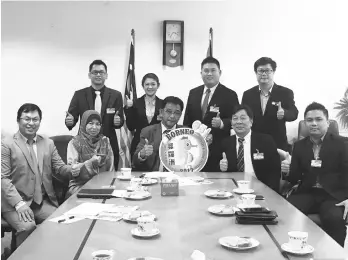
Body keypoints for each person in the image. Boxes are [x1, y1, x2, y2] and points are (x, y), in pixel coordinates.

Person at [1, 103, 81, 247]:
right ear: (18, 120)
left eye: (35, 119)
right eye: (27, 119)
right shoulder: (7, 144)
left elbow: (59, 168)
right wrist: (19, 204)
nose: (31, 123)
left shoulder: (48, 143)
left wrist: (72, 169)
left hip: (41, 202)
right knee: (27, 227)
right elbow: (3, 179)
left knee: (61, 222)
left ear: (40, 121)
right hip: (14, 203)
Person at [286, 102, 348, 247]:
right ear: (305, 123)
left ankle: (334, 255)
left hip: (333, 195)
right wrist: (286, 170)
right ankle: (292, 250)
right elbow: (294, 177)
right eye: (309, 120)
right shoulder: (299, 146)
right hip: (307, 192)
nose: (314, 123)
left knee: (334, 219)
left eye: (318, 119)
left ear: (327, 122)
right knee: (285, 213)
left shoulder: (342, 144)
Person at [65, 60, 124, 169]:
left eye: (101, 72)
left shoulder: (116, 95)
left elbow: (119, 120)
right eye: (94, 72)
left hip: (108, 143)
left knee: (108, 175)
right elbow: (71, 119)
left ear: (106, 75)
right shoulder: (79, 95)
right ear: (89, 75)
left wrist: (118, 122)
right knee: (84, 172)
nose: (98, 75)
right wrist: (70, 121)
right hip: (84, 144)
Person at [183, 57, 239, 172]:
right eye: (206, 70)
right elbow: (187, 120)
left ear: (220, 72)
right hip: (195, 149)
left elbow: (236, 120)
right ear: (201, 73)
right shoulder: (193, 92)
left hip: (218, 148)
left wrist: (222, 123)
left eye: (213, 70)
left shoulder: (230, 94)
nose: (209, 73)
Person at [241, 57, 298, 152]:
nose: (264, 74)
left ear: (273, 72)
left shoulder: (285, 92)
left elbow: (294, 113)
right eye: (260, 71)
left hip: (277, 143)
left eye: (267, 71)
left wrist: (284, 113)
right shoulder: (248, 94)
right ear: (256, 73)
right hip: (255, 143)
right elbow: (244, 116)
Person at [219, 105, 281, 192]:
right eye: (235, 118)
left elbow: (275, 171)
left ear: (251, 121)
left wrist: (270, 193)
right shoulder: (226, 143)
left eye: (243, 118)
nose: (239, 122)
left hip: (260, 188)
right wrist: (222, 168)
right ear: (231, 123)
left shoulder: (265, 141)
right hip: (234, 189)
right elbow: (222, 174)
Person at [66, 110, 114, 197]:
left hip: (102, 185)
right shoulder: (75, 143)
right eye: (91, 123)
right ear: (84, 124)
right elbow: (73, 170)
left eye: (98, 124)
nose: (94, 127)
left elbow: (110, 167)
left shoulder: (105, 141)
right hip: (80, 185)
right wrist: (91, 162)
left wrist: (109, 185)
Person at [132, 96, 184, 171]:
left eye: (176, 113)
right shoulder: (148, 131)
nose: (172, 116)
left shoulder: (185, 133)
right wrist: (142, 154)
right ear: (161, 112)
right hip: (154, 178)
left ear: (180, 115)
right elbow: (135, 161)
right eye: (169, 112)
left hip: (178, 178)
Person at [124, 73, 163, 160]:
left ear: (158, 85)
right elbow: (130, 127)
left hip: (158, 145)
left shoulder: (163, 104)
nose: (150, 87)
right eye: (147, 84)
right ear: (143, 86)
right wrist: (129, 108)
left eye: (153, 84)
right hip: (139, 144)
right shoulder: (135, 103)